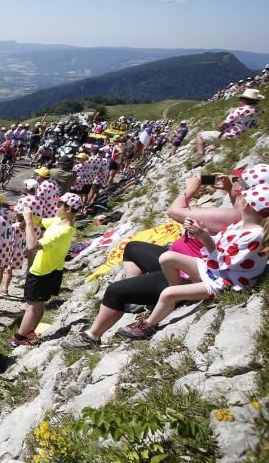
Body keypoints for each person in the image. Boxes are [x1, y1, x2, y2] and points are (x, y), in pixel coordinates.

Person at [63, 166, 267, 349]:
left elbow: (175, 211)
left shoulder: (239, 221)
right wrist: (229, 190)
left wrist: (189, 190)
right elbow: (236, 216)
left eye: (239, 182)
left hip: (199, 274)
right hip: (192, 264)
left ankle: (93, 336)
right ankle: (143, 294)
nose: (235, 183)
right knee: (133, 247)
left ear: (248, 199)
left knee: (115, 292)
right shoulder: (243, 217)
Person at [120, 186, 269, 339]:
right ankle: (178, 297)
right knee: (167, 257)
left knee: (167, 293)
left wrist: (204, 238)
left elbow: (225, 263)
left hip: (228, 282)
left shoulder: (255, 235)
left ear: (247, 205)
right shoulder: (241, 224)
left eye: (242, 197)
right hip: (216, 270)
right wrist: (202, 233)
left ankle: (149, 325)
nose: (238, 196)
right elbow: (219, 250)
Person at [10, 193, 80, 347]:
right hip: (53, 269)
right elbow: (41, 221)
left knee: (32, 306)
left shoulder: (63, 231)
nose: (55, 207)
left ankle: (19, 339)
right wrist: (27, 214)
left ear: (68, 209)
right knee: (40, 304)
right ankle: (30, 332)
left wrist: (28, 222)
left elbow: (32, 246)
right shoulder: (60, 222)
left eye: (59, 205)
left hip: (41, 272)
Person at [196, 88, 262, 156]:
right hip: (243, 137)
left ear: (245, 99)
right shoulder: (258, 110)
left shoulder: (239, 110)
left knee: (199, 135)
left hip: (230, 136)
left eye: (241, 98)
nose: (240, 100)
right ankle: (215, 145)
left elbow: (222, 125)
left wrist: (218, 131)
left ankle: (200, 156)